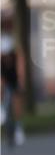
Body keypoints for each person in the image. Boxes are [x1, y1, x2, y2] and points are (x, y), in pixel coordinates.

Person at [1, 8, 25, 146]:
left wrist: (21, 77)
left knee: (16, 100)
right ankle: (1, 110)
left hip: (13, 73)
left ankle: (18, 127)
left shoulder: (14, 39)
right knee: (1, 87)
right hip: (3, 72)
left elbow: (20, 58)